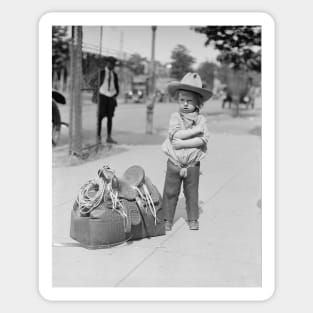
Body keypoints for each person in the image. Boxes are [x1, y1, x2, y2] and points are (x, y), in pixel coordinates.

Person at [161, 72, 212, 231]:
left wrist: (181, 143)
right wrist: (194, 132)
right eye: (182, 100)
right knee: (170, 191)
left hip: (192, 164)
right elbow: (175, 135)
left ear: (198, 104)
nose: (185, 104)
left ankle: (193, 219)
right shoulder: (175, 117)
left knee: (192, 193)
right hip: (174, 162)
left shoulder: (201, 120)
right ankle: (167, 219)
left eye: (189, 101)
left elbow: (203, 139)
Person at [93, 56, 119, 144]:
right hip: (102, 96)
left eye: (114, 64)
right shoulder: (102, 72)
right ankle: (98, 137)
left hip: (111, 97)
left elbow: (116, 85)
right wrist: (96, 90)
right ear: (107, 63)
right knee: (100, 118)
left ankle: (109, 137)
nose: (113, 65)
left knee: (110, 118)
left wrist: (115, 94)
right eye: (111, 63)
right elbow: (93, 81)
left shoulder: (114, 75)